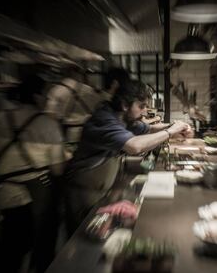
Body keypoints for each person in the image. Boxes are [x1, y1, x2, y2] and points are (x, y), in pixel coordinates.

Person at [64, 73, 191, 235]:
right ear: (125, 104)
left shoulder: (122, 119)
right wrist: (170, 131)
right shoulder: (103, 120)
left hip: (101, 188)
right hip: (83, 191)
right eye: (141, 106)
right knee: (83, 240)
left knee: (102, 234)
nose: (144, 111)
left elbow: (149, 128)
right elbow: (134, 146)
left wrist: (178, 127)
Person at [0, 74, 67, 273]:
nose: (49, 101)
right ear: (37, 96)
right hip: (35, 196)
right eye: (47, 96)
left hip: (2, 193)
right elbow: (57, 169)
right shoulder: (48, 124)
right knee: (42, 243)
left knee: (8, 250)